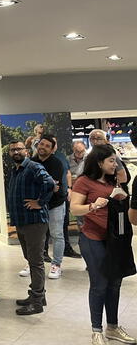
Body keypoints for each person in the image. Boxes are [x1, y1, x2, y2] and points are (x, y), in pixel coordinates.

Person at [71, 144, 135, 345]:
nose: (115, 164)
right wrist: (93, 205)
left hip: (114, 240)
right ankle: (96, 330)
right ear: (99, 162)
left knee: (115, 283)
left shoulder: (113, 180)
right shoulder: (83, 182)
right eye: (111, 161)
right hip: (92, 239)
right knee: (100, 284)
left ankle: (113, 327)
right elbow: (74, 209)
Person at [7, 141, 54, 315]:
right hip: (22, 221)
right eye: (13, 150)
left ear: (26, 151)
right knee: (30, 258)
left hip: (35, 221)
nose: (16, 152)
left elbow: (49, 184)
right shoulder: (15, 170)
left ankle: (37, 301)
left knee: (36, 261)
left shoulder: (33, 167)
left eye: (19, 149)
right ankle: (38, 295)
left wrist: (40, 202)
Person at [31, 135, 67, 279]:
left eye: (47, 146)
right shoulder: (31, 162)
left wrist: (47, 185)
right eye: (42, 144)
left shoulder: (57, 163)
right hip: (36, 204)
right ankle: (33, 263)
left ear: (52, 150)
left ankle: (56, 265)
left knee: (57, 234)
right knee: (35, 236)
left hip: (55, 204)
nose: (43, 147)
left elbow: (53, 186)